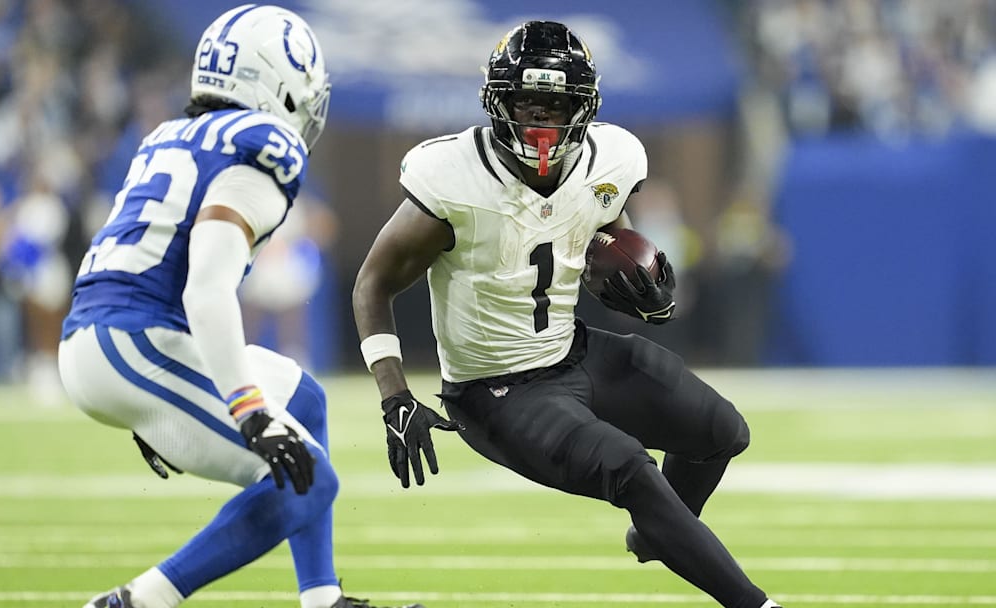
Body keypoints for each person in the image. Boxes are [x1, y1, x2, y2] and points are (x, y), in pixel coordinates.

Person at [352, 20, 783, 608]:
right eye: (527, 104)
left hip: (573, 350)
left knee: (721, 432)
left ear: (583, 111)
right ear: (497, 103)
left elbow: (604, 230)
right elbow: (372, 284)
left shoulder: (613, 157)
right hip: (496, 391)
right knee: (631, 469)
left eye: (556, 107)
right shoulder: (452, 176)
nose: (540, 123)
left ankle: (658, 531)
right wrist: (394, 396)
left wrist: (634, 274)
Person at [57, 6, 424, 608]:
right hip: (135, 341)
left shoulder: (170, 135)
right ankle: (139, 601)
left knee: (306, 398)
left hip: (115, 335)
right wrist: (248, 408)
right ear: (276, 87)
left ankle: (322, 598)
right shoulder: (263, 143)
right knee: (310, 480)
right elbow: (206, 286)